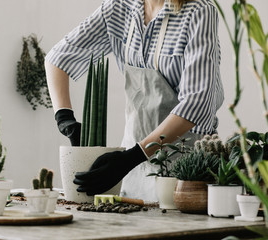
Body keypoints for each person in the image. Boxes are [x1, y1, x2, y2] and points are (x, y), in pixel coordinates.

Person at [45, 0, 224, 201]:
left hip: (187, 171)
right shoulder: (118, 8)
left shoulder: (199, 12)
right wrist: (66, 120)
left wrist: (133, 157)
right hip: (131, 169)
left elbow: (197, 102)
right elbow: (57, 58)